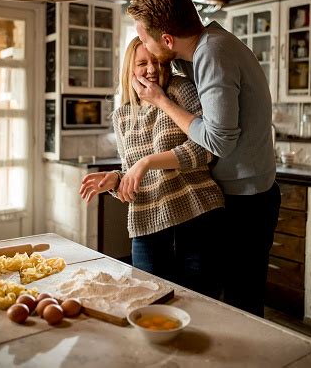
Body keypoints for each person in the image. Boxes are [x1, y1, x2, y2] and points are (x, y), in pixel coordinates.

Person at [126, 0, 281, 317]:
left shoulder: (213, 53)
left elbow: (218, 139)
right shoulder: (208, 46)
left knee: (241, 306)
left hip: (247, 201)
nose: (148, 52)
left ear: (167, 39)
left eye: (148, 40)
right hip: (244, 194)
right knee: (229, 301)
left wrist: (162, 101)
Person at [79, 36, 225, 299]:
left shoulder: (181, 90)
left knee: (202, 305)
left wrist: (146, 163)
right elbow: (130, 174)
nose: (151, 69)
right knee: (149, 303)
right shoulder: (121, 116)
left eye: (156, 61)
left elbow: (206, 149)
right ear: (130, 70)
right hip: (147, 224)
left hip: (196, 216)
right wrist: (115, 180)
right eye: (142, 63)